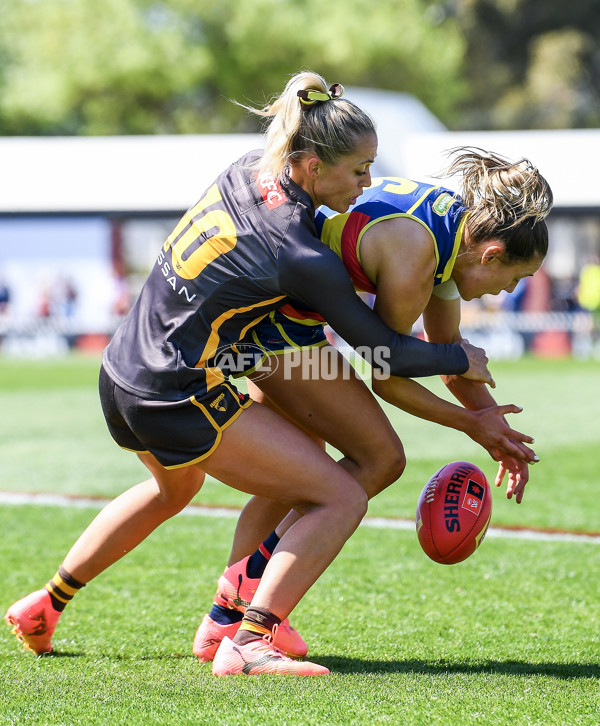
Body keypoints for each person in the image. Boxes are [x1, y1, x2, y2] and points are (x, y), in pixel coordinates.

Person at [4, 72, 491, 677]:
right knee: (338, 494)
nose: (368, 185)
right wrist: (457, 358)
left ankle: (47, 603)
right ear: (311, 167)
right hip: (175, 393)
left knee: (173, 490)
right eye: (359, 170)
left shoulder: (245, 167)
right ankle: (249, 641)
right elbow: (381, 351)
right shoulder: (300, 253)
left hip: (122, 371)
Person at [192, 147, 554, 661]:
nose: (505, 291)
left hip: (262, 318)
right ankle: (247, 613)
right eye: (512, 279)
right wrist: (471, 425)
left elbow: (451, 362)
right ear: (491, 254)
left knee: (298, 467)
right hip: (266, 328)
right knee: (380, 459)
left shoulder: (451, 232)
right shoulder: (416, 258)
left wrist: (494, 429)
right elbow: (388, 373)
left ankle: (222, 625)